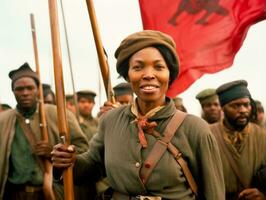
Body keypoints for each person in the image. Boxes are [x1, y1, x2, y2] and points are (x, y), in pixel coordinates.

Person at [51, 30, 225, 199]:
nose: (149, 75)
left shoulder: (196, 129)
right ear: (127, 75)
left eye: (159, 67)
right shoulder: (110, 120)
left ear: (169, 74)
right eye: (138, 67)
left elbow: (213, 193)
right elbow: (93, 166)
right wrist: (69, 161)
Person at [0, 63, 92, 200]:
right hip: (13, 193)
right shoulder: (3, 120)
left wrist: (55, 152)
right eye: (19, 89)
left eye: (30, 88)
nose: (25, 93)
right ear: (13, 91)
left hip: (49, 193)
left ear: (38, 89)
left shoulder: (60, 114)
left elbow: (84, 150)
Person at [210, 80, 266, 200]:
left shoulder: (262, 136)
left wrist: (263, 195)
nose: (243, 110)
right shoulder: (208, 135)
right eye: (235, 105)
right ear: (223, 108)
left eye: (246, 105)